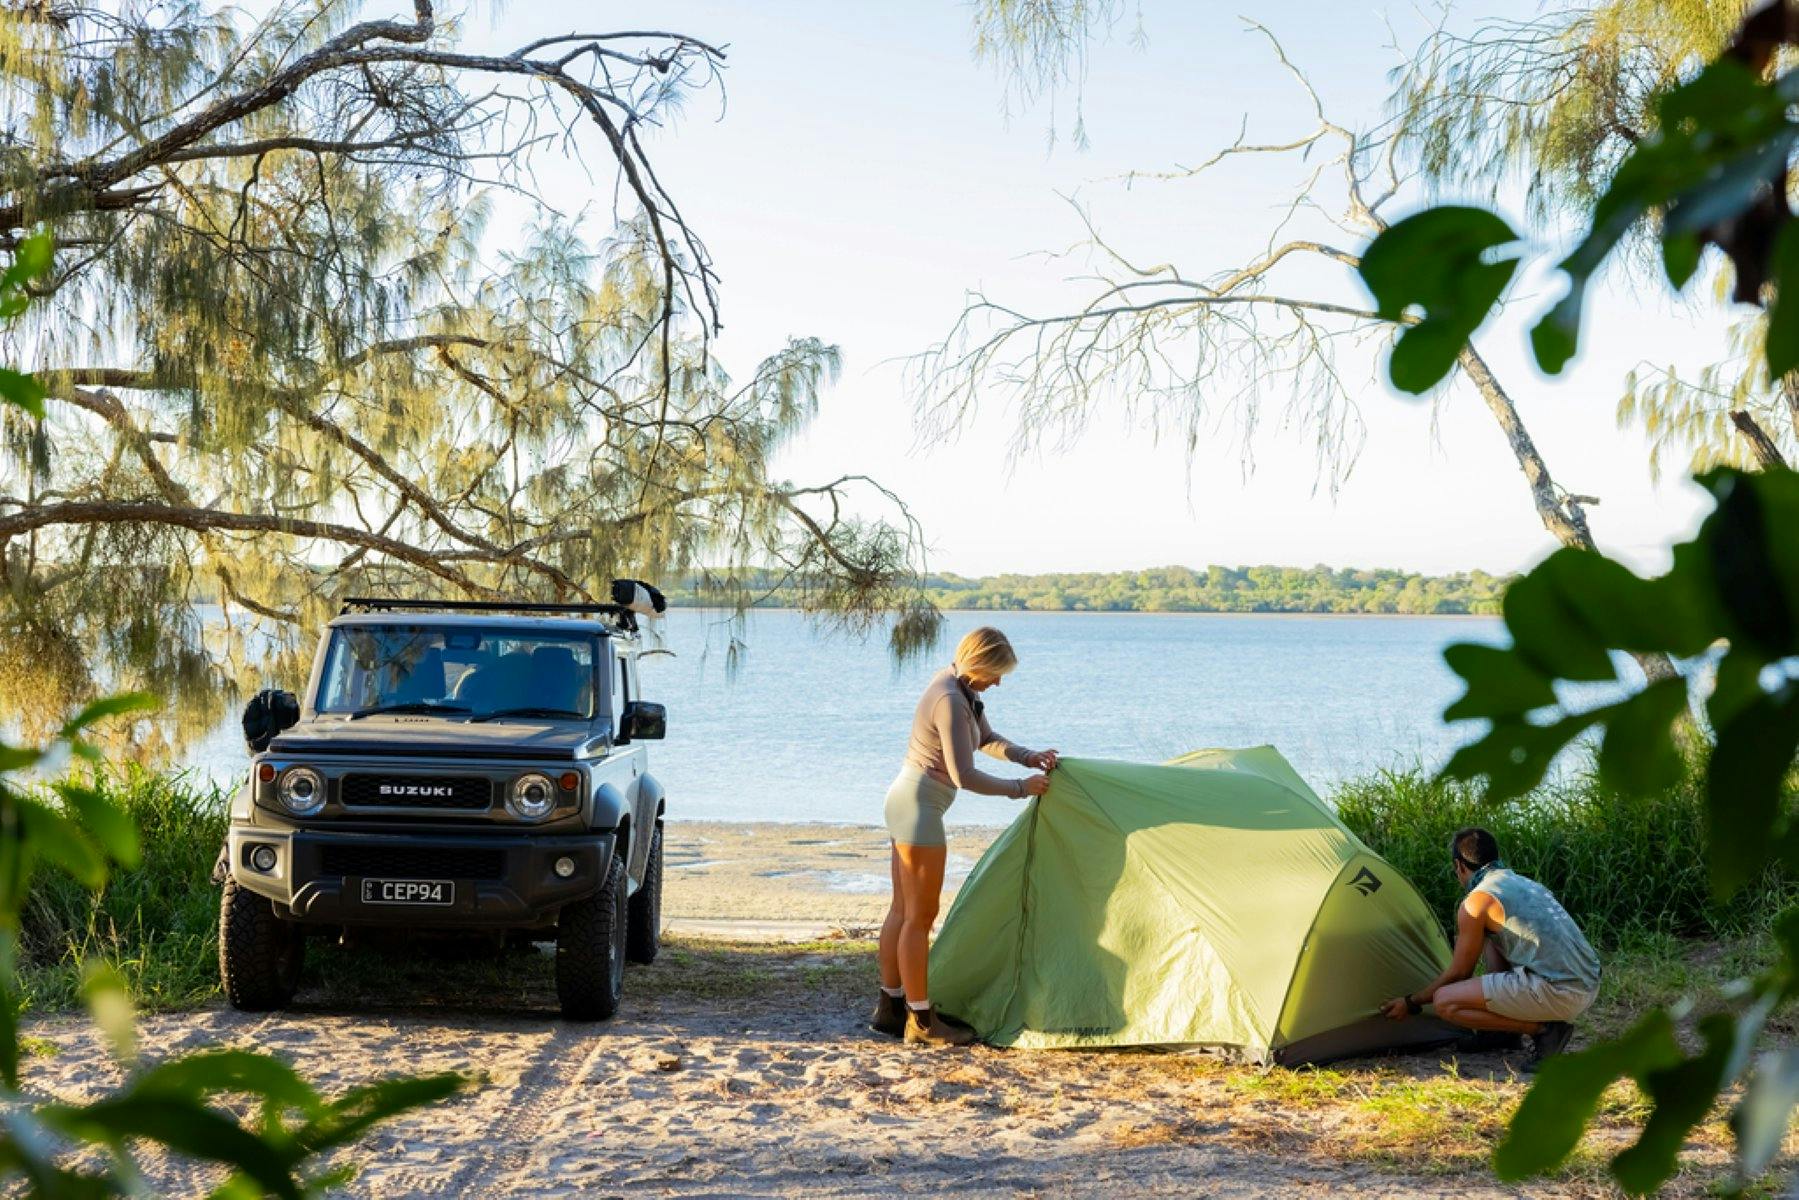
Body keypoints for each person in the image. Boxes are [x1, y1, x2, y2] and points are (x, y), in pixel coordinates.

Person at [873, 627, 1057, 1046]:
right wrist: (1019, 788)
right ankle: (921, 1020)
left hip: (907, 798)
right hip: (918, 806)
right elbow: (965, 775)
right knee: (919, 917)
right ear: (977, 664)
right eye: (995, 673)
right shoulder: (951, 700)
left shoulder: (959, 688)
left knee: (903, 912)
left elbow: (986, 740)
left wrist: (1028, 756)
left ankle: (891, 1008)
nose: (998, 681)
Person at [1382, 828, 1601, 1067]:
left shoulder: (1478, 901)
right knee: (1490, 935)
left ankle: (1543, 1030)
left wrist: (1411, 1002)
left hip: (1559, 991)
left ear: (1459, 866)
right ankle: (1501, 1034)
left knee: (1445, 1001)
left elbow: (1459, 973)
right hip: (1587, 984)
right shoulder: (1523, 883)